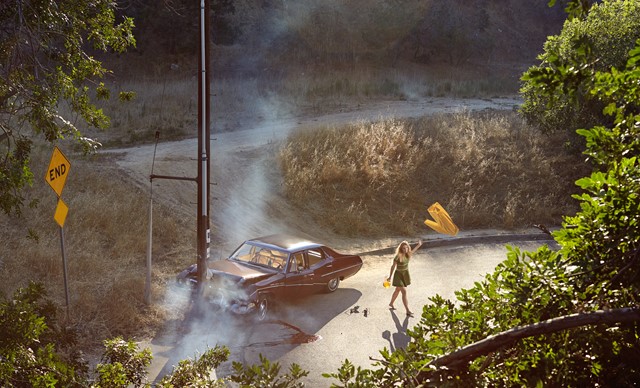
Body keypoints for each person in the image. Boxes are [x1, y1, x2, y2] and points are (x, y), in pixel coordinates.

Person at [387, 239, 422, 317]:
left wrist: (419, 245)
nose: (405, 249)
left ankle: (391, 303)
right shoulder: (398, 256)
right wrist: (390, 277)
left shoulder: (408, 254)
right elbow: (393, 266)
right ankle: (407, 310)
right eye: (403, 248)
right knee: (404, 291)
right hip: (398, 275)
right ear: (401, 248)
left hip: (405, 274)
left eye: (406, 248)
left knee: (397, 290)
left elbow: (413, 251)